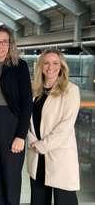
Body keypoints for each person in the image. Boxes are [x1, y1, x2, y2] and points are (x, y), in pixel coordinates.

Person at [0, 26, 33, 205]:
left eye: (5, 41)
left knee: (11, 176)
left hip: (11, 124)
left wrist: (21, 135)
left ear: (10, 44)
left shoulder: (19, 66)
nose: (1, 45)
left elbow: (27, 103)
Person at [27, 49, 80, 205]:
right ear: (41, 66)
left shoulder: (71, 90)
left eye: (55, 63)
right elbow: (26, 119)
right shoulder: (34, 89)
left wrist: (42, 145)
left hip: (59, 156)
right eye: (46, 63)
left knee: (64, 201)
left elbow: (66, 126)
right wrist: (31, 139)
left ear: (62, 66)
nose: (51, 67)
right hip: (37, 155)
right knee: (38, 200)